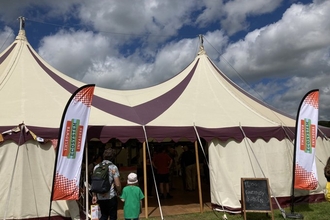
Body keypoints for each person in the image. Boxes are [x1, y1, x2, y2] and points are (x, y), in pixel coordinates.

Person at [92, 148, 121, 220]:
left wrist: (94, 195)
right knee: (113, 216)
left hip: (100, 195)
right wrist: (119, 191)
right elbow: (117, 184)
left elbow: (95, 182)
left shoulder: (97, 167)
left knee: (103, 215)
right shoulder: (113, 167)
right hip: (111, 195)